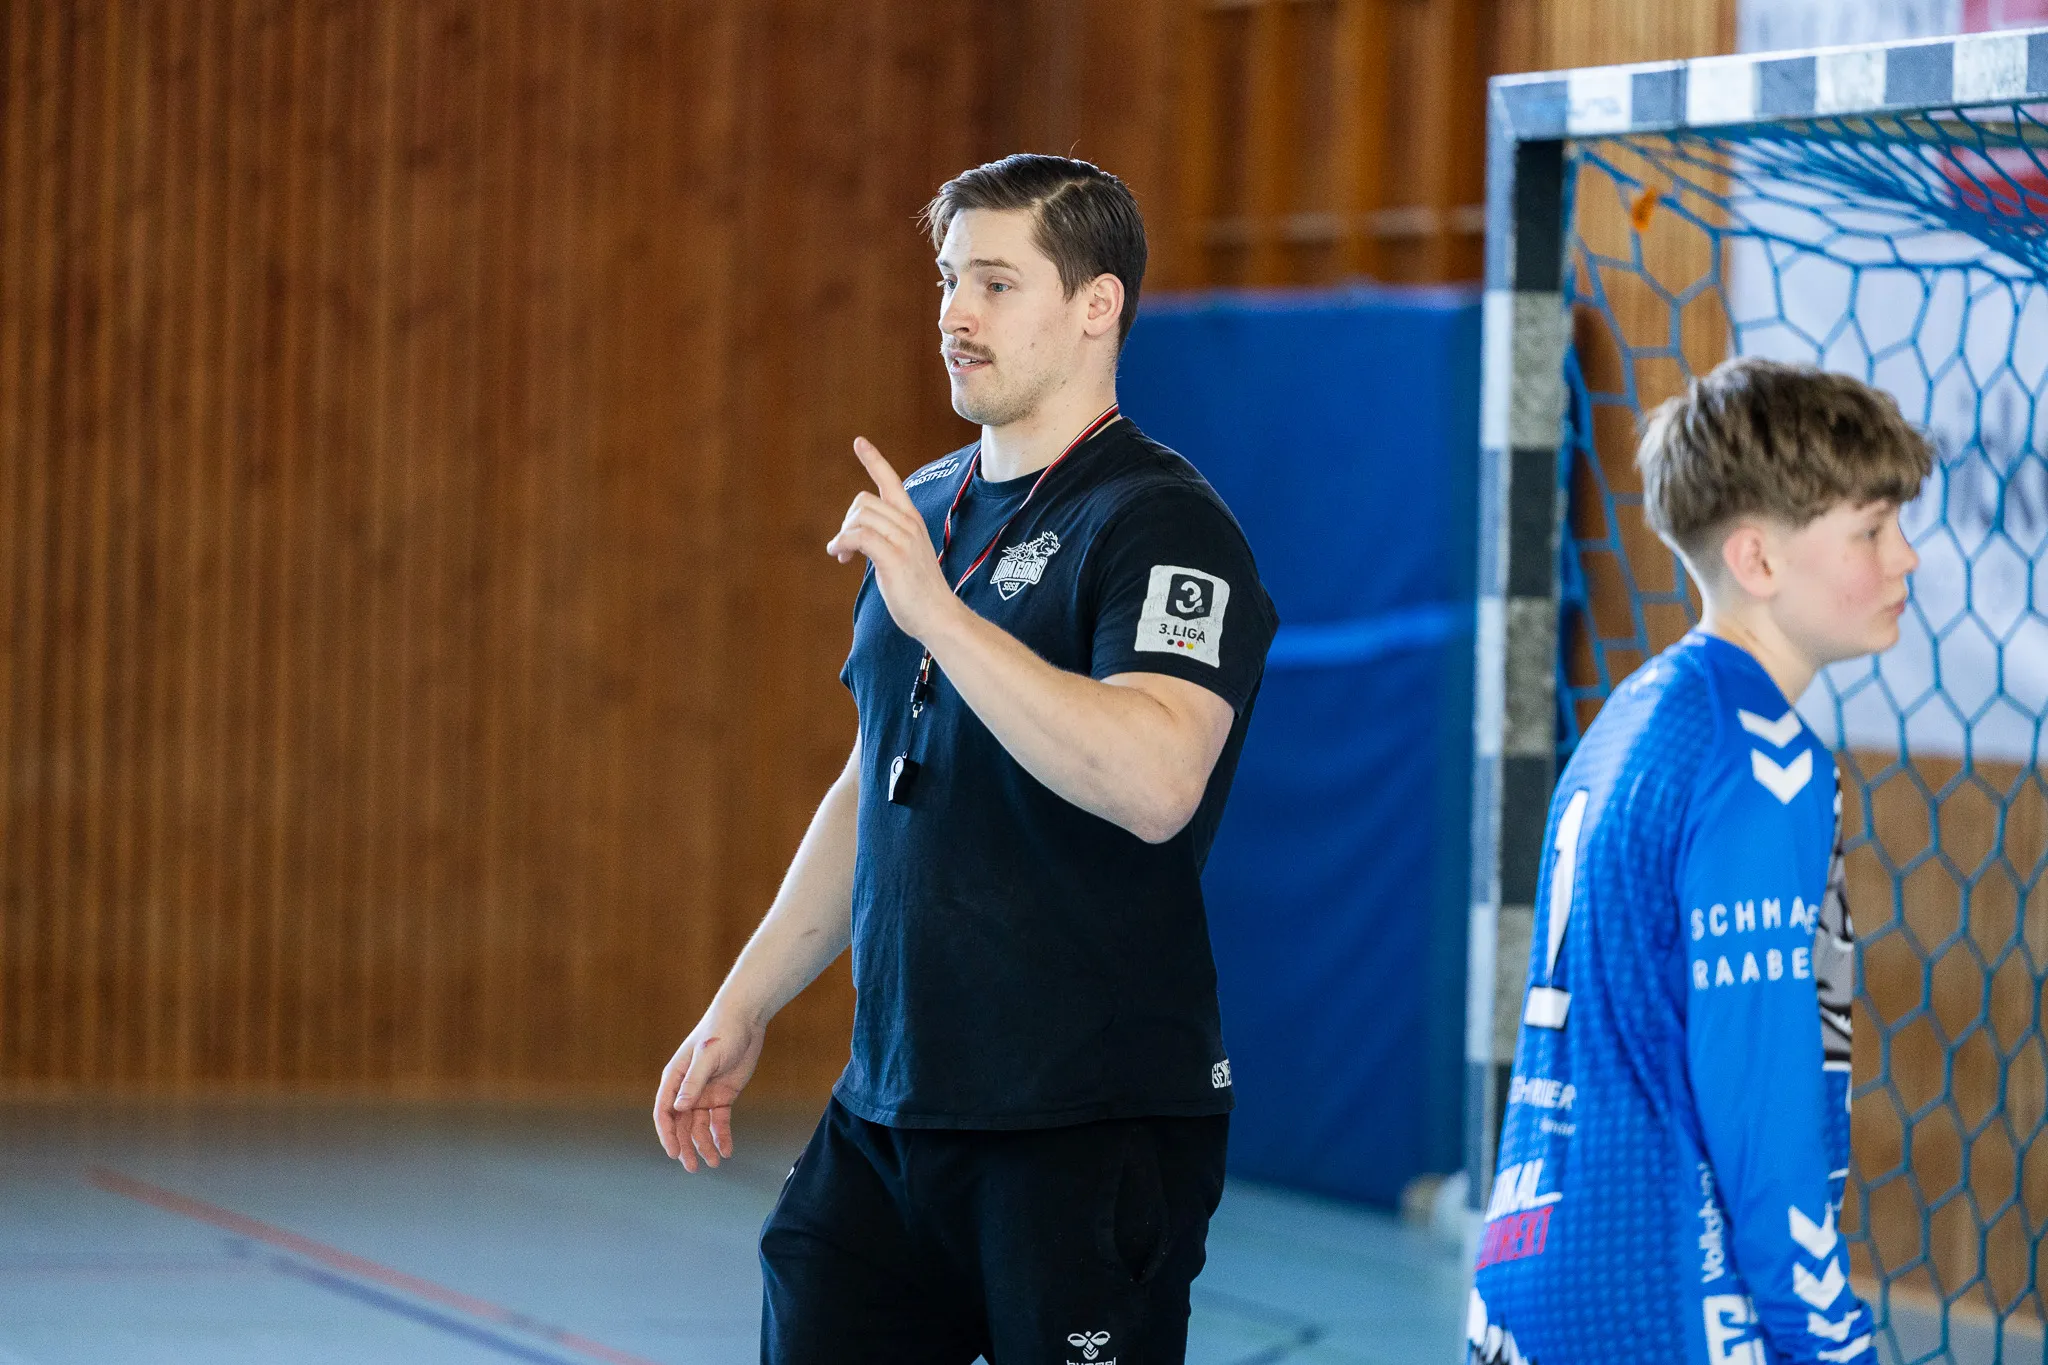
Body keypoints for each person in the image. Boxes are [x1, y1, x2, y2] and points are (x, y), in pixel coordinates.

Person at [654, 153, 1278, 1365]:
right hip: (890, 1116)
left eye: (994, 283)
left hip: (1081, 1124)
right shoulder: (928, 509)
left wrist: (942, 615)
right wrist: (742, 1006)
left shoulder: (1158, 522)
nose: (952, 313)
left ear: (1096, 305)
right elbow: (869, 785)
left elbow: (1155, 782)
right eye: (947, 279)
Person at [1467, 357, 1931, 1365]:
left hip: (1532, 1263)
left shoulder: (1630, 715)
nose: (1904, 558)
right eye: (1869, 530)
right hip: (1662, 1293)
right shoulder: (1758, 764)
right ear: (1757, 559)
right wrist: (1824, 1337)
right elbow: (1756, 1091)